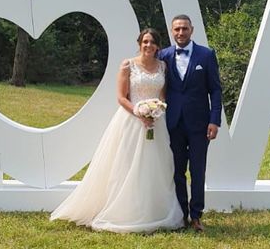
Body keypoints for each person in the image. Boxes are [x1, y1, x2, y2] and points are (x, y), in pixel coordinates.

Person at [50, 28, 184, 233]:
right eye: (145, 42)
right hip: (131, 121)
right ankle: (125, 210)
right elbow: (121, 97)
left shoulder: (163, 67)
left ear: (158, 46)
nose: (148, 46)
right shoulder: (127, 65)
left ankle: (154, 211)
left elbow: (163, 95)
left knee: (156, 166)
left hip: (157, 123)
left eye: (152, 42)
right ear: (140, 43)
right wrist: (140, 112)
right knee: (127, 164)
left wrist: (156, 111)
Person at [159, 14, 222, 232]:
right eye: (176, 29)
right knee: (176, 171)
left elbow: (215, 89)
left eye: (184, 29)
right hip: (172, 123)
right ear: (171, 30)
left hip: (199, 124)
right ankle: (181, 215)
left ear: (191, 30)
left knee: (197, 170)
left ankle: (196, 216)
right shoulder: (163, 55)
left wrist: (215, 121)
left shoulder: (206, 55)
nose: (180, 33)